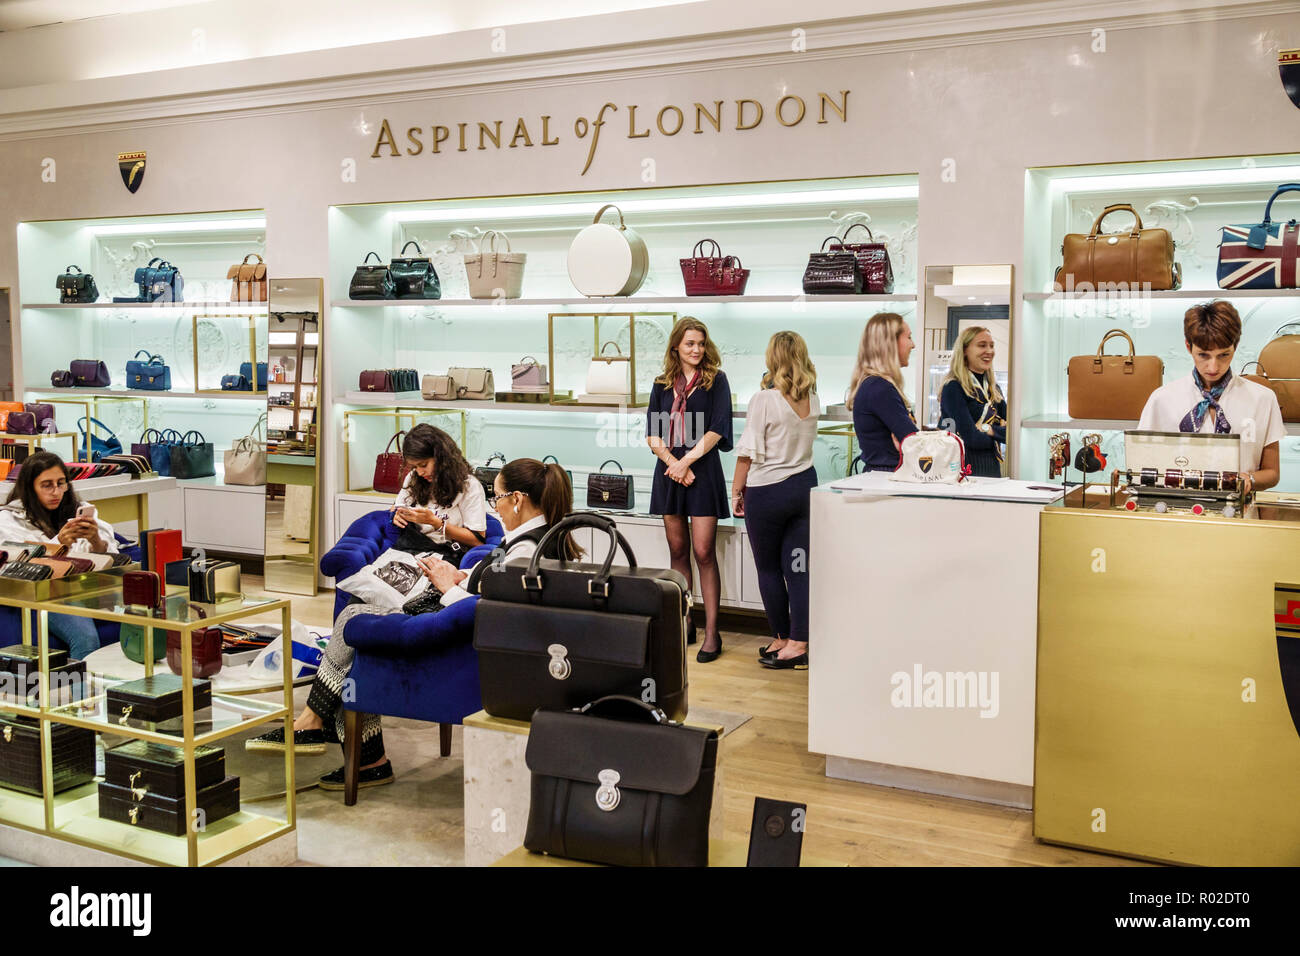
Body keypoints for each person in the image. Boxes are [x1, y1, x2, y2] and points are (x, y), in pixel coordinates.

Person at [246, 458, 580, 792]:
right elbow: (497, 589)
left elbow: (496, 613)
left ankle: (317, 722)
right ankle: (359, 753)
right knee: (360, 620)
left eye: (499, 498)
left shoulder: (524, 550)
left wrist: (449, 586)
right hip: (457, 614)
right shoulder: (545, 537)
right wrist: (463, 576)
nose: (497, 507)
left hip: (451, 629)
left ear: (518, 499)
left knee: (354, 618)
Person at [645, 316, 733, 663]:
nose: (696, 349)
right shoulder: (661, 384)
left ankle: (713, 632)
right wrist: (671, 461)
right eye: (689, 344)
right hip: (670, 471)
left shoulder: (716, 381)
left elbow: (718, 428)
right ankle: (685, 621)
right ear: (676, 347)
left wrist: (686, 462)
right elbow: (653, 431)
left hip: (703, 472)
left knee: (703, 552)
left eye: (700, 343)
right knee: (678, 551)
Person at [732, 332, 819, 670]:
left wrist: (737, 492)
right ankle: (798, 643)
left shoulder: (764, 399)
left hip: (768, 492)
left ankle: (782, 637)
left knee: (769, 568)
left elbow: (747, 452)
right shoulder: (813, 397)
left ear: (773, 358)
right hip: (803, 489)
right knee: (798, 568)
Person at [1138, 300, 1284, 493]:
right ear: (1188, 347)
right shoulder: (1162, 400)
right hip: (1178, 512)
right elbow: (1143, 467)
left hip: (1240, 513)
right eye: (1204, 355)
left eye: (1224, 355)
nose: (1213, 367)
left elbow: (1272, 473)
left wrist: (1249, 479)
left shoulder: (1263, 398)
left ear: (1235, 346)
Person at [0, 451, 117, 658]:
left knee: (143, 616)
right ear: (29, 488)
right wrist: (59, 544)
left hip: (84, 587)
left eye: (61, 483)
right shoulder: (8, 519)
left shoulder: (78, 510)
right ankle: (81, 690)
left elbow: (110, 555)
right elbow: (20, 564)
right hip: (46, 593)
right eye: (47, 485)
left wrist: (96, 542)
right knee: (85, 638)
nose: (56, 492)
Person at [389, 423, 487, 560]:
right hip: (411, 549)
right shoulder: (413, 477)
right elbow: (397, 507)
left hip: (445, 554)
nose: (420, 472)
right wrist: (396, 514)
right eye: (415, 466)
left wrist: (436, 523)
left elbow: (477, 540)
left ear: (442, 457)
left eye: (423, 465)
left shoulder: (469, 486)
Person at [848, 312, 919, 471]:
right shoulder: (880, 388)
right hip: (886, 479)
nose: (913, 345)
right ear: (890, 343)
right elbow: (913, 441)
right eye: (908, 337)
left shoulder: (875, 384)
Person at [939, 326, 1007, 478]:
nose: (989, 351)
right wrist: (998, 432)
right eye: (982, 345)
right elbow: (972, 439)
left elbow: (1013, 435)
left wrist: (987, 429)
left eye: (991, 345)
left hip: (992, 470)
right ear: (964, 350)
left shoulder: (994, 389)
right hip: (963, 471)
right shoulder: (953, 387)